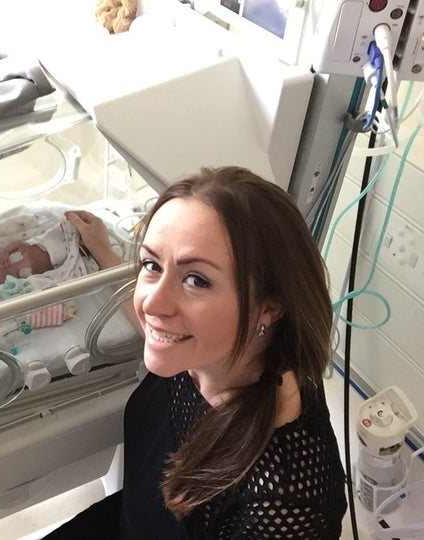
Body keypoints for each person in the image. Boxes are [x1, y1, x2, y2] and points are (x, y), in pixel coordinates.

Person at [45, 166, 348, 539]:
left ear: (270, 307)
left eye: (196, 280)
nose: (152, 304)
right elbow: (152, 321)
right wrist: (102, 250)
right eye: (151, 264)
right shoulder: (207, 355)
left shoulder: (282, 502)